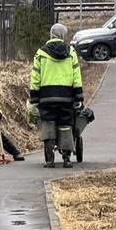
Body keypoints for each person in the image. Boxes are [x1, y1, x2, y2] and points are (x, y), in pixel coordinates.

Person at [30, 23, 83, 168]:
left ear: (51, 34)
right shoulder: (71, 52)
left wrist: (34, 98)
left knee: (48, 124)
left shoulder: (40, 53)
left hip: (46, 97)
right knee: (66, 125)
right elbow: (76, 76)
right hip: (66, 96)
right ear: (63, 35)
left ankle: (50, 160)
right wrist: (78, 97)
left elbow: (35, 77)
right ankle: (66, 159)